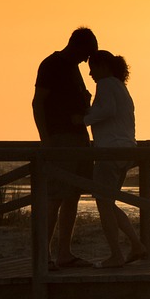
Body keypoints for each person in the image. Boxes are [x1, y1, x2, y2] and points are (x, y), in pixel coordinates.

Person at [32, 27, 97, 268]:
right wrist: (46, 140)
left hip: (80, 138)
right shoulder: (51, 64)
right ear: (77, 46)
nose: (86, 59)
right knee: (56, 196)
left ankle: (64, 253)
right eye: (86, 53)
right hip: (60, 138)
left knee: (73, 196)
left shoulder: (74, 68)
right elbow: (38, 103)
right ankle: (43, 255)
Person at [84, 49, 146, 268]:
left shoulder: (107, 83)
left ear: (103, 67)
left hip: (110, 152)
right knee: (108, 202)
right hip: (126, 150)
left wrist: (82, 120)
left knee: (103, 202)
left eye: (93, 68)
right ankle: (136, 245)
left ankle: (116, 255)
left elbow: (108, 111)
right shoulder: (120, 86)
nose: (90, 74)